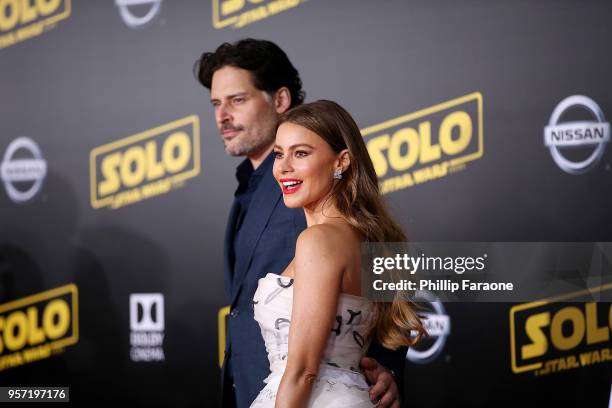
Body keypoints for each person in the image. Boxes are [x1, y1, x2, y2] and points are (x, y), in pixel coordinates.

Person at [195, 39, 409, 408]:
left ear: (280, 100)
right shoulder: (252, 188)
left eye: (237, 100)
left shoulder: (310, 192)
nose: (222, 115)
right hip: (259, 389)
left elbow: (376, 277)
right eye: (216, 104)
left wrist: (385, 369)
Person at [249, 100, 426, 407]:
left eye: (301, 153)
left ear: (341, 161)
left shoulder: (318, 241)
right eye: (279, 154)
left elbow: (303, 371)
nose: (284, 167)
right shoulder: (364, 239)